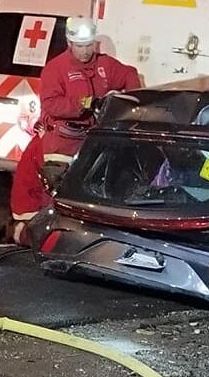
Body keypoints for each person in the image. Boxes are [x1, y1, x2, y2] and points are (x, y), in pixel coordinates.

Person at [7, 17, 141, 243]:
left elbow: (129, 74)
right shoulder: (56, 69)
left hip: (90, 138)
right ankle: (36, 234)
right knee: (58, 185)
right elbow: (51, 104)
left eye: (89, 45)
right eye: (80, 46)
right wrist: (86, 103)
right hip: (61, 139)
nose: (86, 51)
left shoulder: (104, 66)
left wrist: (130, 102)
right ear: (69, 43)